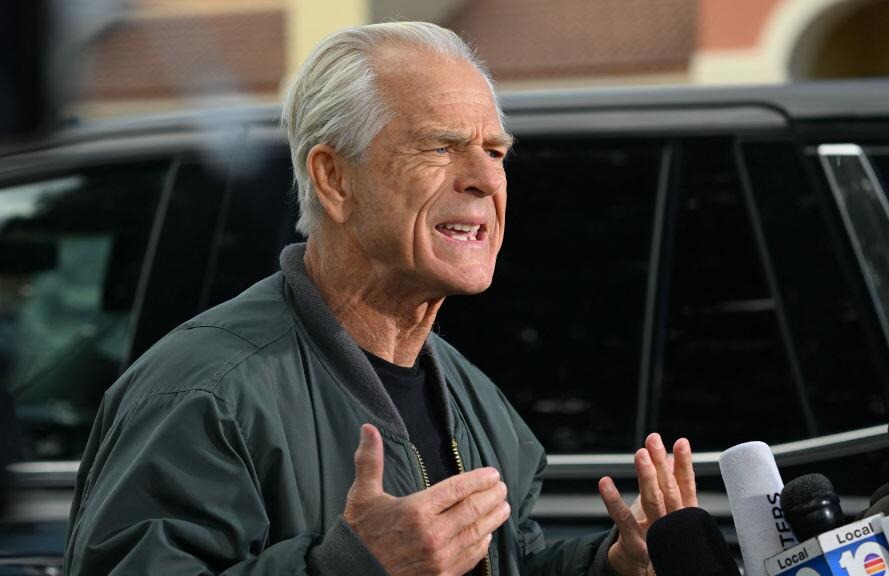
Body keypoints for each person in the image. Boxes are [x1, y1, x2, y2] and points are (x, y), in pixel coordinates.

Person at [64, 22, 698, 575]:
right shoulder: (204, 393)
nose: (485, 178)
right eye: (441, 147)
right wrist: (345, 567)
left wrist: (609, 565)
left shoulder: (473, 395)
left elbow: (505, 563)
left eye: (495, 151)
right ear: (334, 178)